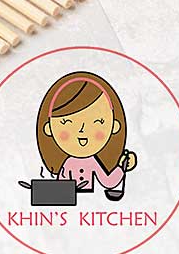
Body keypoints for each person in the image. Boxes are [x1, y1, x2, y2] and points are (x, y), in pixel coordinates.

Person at [36, 71, 137, 199]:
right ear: (49, 129)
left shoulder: (93, 162)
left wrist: (121, 168)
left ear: (114, 126)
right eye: (67, 123)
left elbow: (108, 182)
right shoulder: (68, 164)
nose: (82, 131)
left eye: (98, 122)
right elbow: (61, 189)